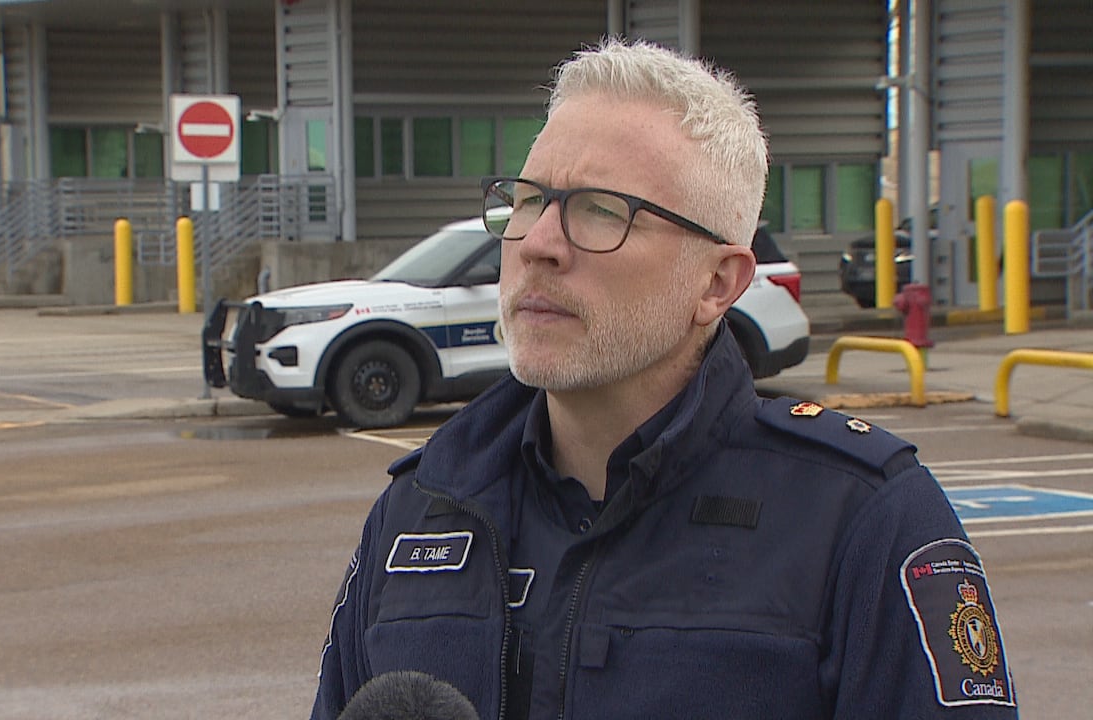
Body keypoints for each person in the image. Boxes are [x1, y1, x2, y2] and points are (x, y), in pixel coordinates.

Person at [311, 37, 1017, 719]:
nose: (539, 244)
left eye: (601, 210)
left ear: (717, 283)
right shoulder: (425, 504)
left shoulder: (864, 519)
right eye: (527, 200)